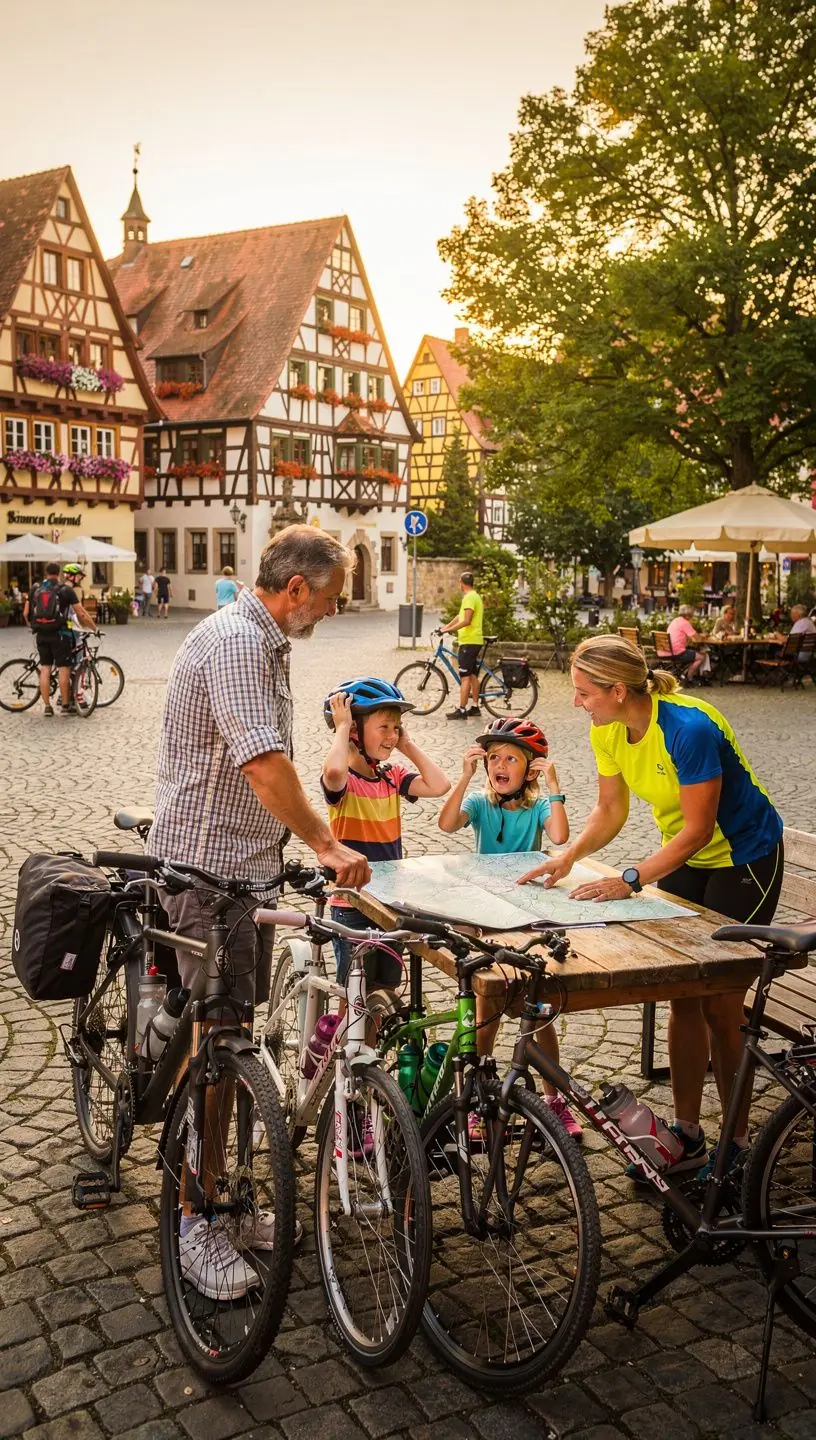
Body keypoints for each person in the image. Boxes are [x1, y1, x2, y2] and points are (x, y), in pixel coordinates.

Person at [148, 525, 371, 1298]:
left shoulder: (266, 640)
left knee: (234, 1039)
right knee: (220, 1057)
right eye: (334, 597)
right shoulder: (240, 644)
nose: (336, 611)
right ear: (298, 588)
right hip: (208, 874)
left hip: (243, 873)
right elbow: (265, 766)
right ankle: (195, 1220)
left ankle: (229, 1200)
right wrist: (327, 844)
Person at [518, 635, 784, 1181]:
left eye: (584, 692)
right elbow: (611, 810)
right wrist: (569, 856)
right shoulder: (608, 728)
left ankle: (737, 1147)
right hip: (685, 857)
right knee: (685, 997)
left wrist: (632, 878)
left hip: (744, 857)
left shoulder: (689, 728)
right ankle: (688, 1134)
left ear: (619, 690)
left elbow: (699, 828)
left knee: (722, 1005)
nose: (577, 702)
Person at [438, 716, 580, 1137]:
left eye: (511, 759)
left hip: (525, 914)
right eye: (493, 758)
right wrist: (463, 778)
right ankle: (479, 1098)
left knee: (541, 1008)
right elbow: (446, 824)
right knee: (488, 1009)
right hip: (485, 917)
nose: (500, 765)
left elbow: (558, 836)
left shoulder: (538, 806)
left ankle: (555, 1100)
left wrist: (554, 788)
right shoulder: (480, 803)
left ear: (530, 769)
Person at [322, 678, 450, 1021]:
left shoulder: (391, 775)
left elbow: (440, 785)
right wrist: (343, 726)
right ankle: (341, 1062)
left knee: (386, 992)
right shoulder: (344, 780)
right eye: (384, 727)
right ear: (353, 733)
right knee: (354, 994)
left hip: (390, 900)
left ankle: (371, 1062)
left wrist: (407, 746)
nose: (392, 735)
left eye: (397, 727)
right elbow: (333, 770)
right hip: (352, 901)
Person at [24, 562, 95, 717]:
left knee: (45, 668)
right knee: (64, 668)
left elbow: (25, 613)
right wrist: (94, 628)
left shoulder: (35, 589)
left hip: (41, 635)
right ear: (59, 574)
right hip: (60, 634)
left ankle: (47, 707)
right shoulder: (65, 590)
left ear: (46, 573)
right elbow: (81, 613)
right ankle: (64, 705)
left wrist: (34, 627)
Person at [440, 570, 485, 720]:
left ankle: (462, 709)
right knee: (472, 675)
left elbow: (466, 621)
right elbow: (460, 616)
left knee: (465, 676)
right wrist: (446, 627)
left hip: (469, 641)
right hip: (473, 640)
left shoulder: (469, 598)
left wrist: (450, 630)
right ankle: (475, 707)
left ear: (461, 583)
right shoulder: (473, 596)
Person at [662, 603, 707, 683]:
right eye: (692, 615)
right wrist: (703, 636)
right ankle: (689, 678)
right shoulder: (685, 622)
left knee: (693, 652)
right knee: (701, 657)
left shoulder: (675, 620)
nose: (692, 617)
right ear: (688, 615)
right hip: (677, 652)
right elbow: (697, 638)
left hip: (667, 650)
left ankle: (685, 673)